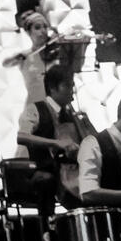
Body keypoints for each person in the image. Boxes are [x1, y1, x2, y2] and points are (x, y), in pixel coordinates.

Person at [16, 64, 82, 217]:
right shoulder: (35, 109)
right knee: (46, 180)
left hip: (69, 171)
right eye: (68, 85)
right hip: (44, 168)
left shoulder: (72, 114)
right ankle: (47, 228)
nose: (72, 90)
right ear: (53, 87)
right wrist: (55, 143)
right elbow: (22, 136)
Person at [2, 9, 56, 105]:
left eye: (45, 27)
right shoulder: (26, 55)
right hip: (35, 104)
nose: (43, 31)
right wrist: (18, 57)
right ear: (28, 32)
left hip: (55, 102)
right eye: (37, 27)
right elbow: (6, 64)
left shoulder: (54, 51)